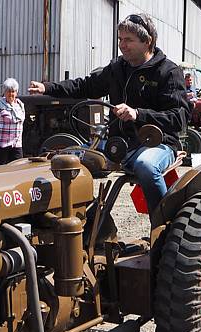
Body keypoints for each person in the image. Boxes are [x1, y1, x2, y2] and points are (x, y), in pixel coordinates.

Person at [28, 13, 190, 212]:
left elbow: (179, 117)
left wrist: (138, 114)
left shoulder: (168, 72)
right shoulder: (117, 68)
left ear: (147, 41)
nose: (122, 44)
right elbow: (85, 86)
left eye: (128, 40)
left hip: (158, 143)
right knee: (64, 159)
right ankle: (87, 225)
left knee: (146, 166)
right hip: (118, 143)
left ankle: (163, 226)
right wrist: (48, 88)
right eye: (120, 39)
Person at [0, 78, 25, 164]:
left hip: (16, 144)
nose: (11, 94)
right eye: (8, 91)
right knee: (2, 170)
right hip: (0, 145)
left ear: (16, 92)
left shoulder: (20, 105)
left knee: (18, 167)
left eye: (13, 91)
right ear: (4, 92)